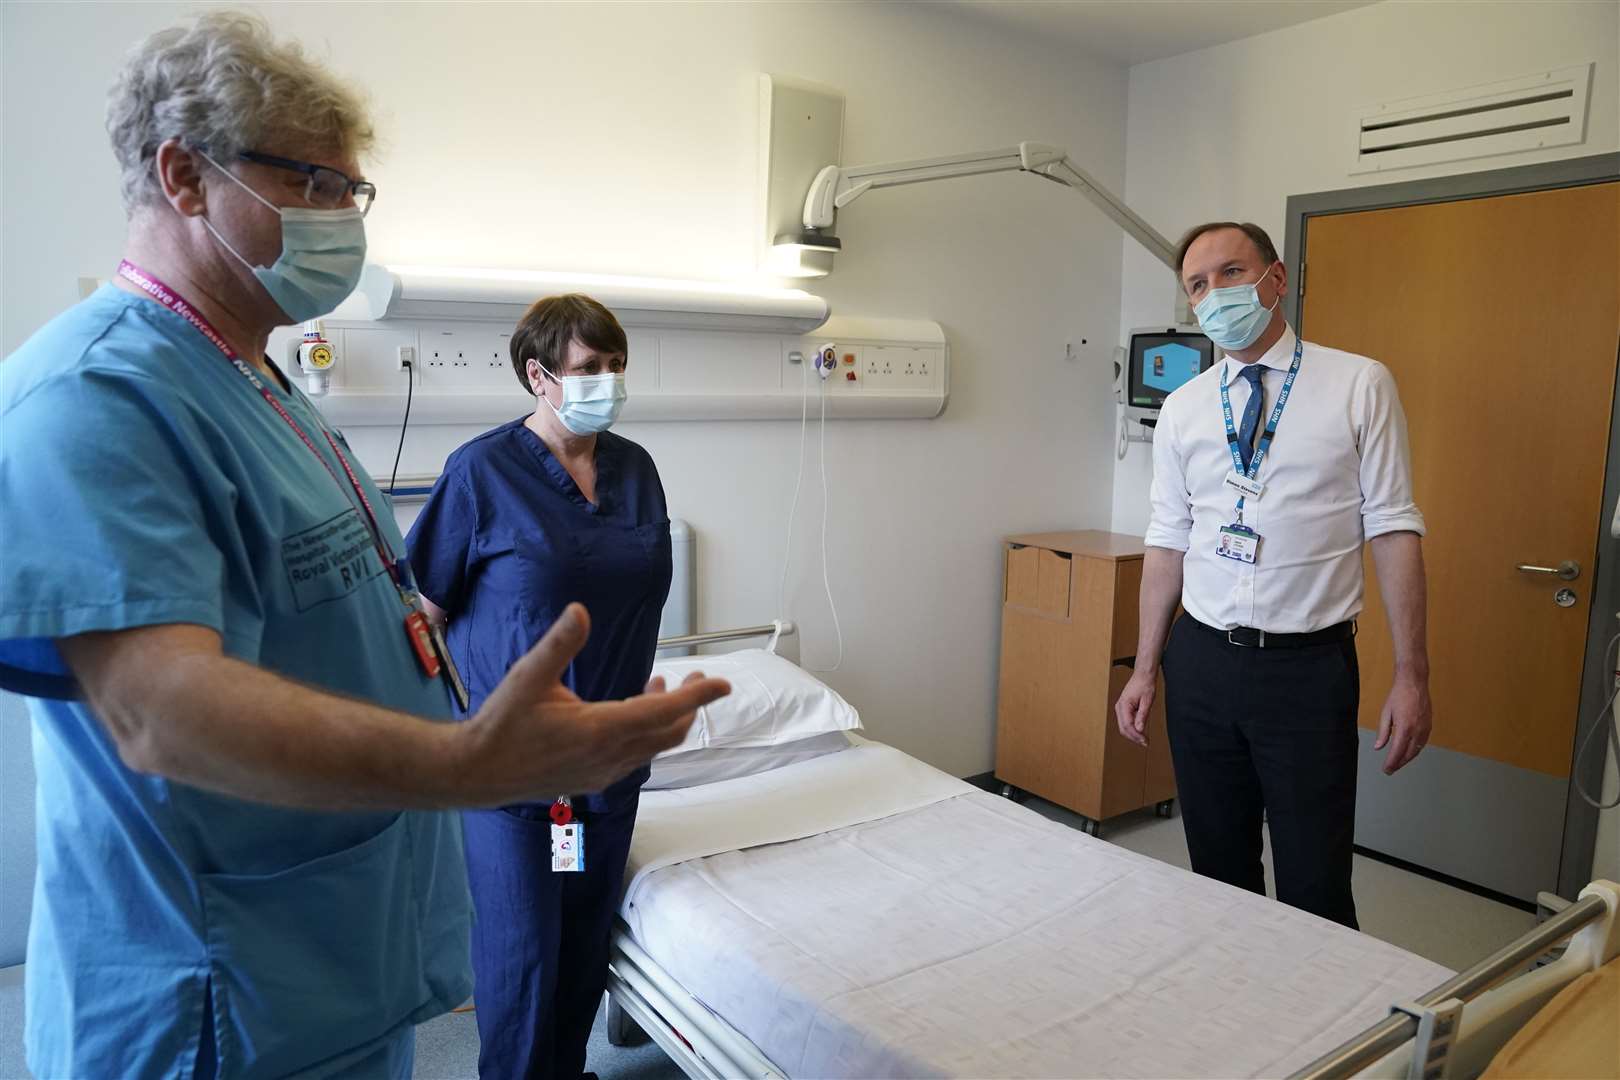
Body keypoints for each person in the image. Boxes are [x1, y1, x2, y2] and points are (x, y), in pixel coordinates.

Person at [0, 15, 726, 1079]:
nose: (345, 219)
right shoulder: (97, 397)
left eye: (354, 194)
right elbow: (159, 713)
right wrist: (465, 762)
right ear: (184, 176)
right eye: (314, 184)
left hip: (339, 958)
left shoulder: (259, 383)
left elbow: (369, 615)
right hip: (214, 997)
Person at [1115, 220, 1431, 930]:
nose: (1215, 294)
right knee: (1217, 874)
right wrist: (1145, 668)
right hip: (1199, 663)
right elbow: (1168, 542)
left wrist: (1412, 674)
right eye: (1198, 285)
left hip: (1306, 670)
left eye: (1231, 273)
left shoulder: (1357, 384)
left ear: (1275, 279)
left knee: (1315, 883)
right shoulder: (1185, 409)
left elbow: (1393, 527)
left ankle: (1334, 1037)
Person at [407, 294, 670, 1079]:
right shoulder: (482, 473)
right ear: (539, 375)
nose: (608, 382)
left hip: (609, 764)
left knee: (585, 950)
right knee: (523, 962)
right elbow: (423, 614)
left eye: (617, 365)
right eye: (589, 368)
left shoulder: (638, 470)